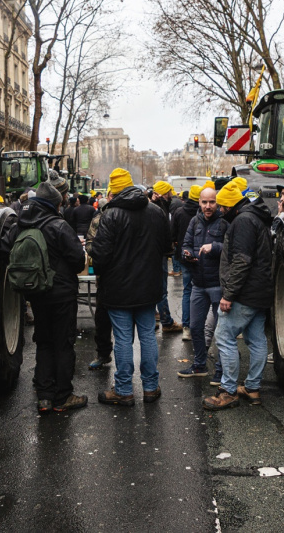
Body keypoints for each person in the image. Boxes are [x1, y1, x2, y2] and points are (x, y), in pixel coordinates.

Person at [89, 168, 171, 406]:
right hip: (148, 287)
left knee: (123, 338)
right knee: (147, 336)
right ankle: (150, 387)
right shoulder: (156, 211)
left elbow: (100, 257)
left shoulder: (111, 215)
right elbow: (167, 247)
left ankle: (124, 390)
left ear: (114, 190)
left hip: (117, 290)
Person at [7, 181, 88, 413]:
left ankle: (44, 397)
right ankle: (63, 397)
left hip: (36, 292)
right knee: (63, 343)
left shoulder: (20, 224)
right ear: (55, 205)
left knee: (43, 342)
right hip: (62, 295)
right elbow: (77, 260)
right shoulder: (58, 225)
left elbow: (7, 248)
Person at [203, 182, 272, 410]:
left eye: (223, 206)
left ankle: (228, 391)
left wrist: (229, 294)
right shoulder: (257, 217)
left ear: (233, 205)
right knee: (256, 340)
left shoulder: (242, 221)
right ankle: (252, 388)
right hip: (260, 291)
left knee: (223, 336)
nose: (221, 210)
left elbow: (242, 261)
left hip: (245, 292)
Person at [178, 186, 227, 378]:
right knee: (196, 327)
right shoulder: (194, 221)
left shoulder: (224, 224)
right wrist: (187, 254)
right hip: (198, 284)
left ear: (217, 203)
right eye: (205, 202)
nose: (208, 206)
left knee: (222, 332)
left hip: (217, 284)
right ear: (199, 202)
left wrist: (214, 247)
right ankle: (199, 365)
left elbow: (230, 250)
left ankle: (222, 371)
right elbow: (186, 244)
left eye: (212, 202)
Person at [84, 193, 112, 370]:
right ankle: (103, 354)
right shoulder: (99, 218)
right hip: (106, 277)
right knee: (102, 318)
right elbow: (90, 245)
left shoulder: (136, 215)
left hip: (129, 279)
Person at [171, 184, 200, 340]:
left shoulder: (179, 212)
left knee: (187, 290)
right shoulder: (204, 212)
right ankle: (200, 326)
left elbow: (173, 235)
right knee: (204, 292)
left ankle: (187, 327)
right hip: (203, 257)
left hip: (184, 256)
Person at [152, 180, 181, 330]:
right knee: (161, 289)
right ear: (165, 192)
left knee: (154, 287)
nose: (172, 193)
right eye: (169, 191)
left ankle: (154, 318)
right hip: (158, 253)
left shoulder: (159, 205)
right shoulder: (159, 208)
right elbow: (164, 232)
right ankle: (166, 321)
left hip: (154, 253)